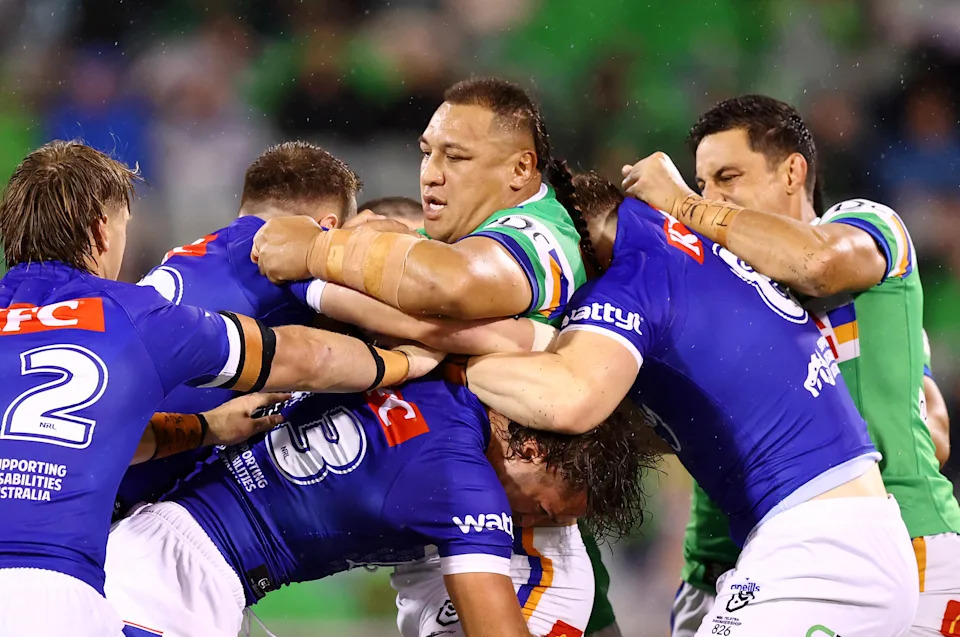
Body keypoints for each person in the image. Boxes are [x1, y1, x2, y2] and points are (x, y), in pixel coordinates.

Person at [0, 141, 438, 637]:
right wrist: (407, 359)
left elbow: (80, 430)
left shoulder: (182, 267)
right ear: (104, 232)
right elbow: (309, 356)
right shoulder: (135, 315)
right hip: (67, 580)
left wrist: (205, 428)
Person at [459, 172, 919, 637]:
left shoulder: (633, 278)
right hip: (834, 533)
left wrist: (457, 367)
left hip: (823, 546)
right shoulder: (670, 244)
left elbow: (569, 400)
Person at [252, 76, 620, 636]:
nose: (432, 172)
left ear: (521, 169)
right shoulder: (455, 234)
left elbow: (448, 289)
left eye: (457, 156)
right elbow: (436, 313)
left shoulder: (540, 236)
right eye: (427, 152)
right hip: (449, 532)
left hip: (523, 537)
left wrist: (320, 256)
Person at [620, 94, 960, 637]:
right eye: (702, 183)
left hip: (894, 542)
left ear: (793, 171)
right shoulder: (712, 290)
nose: (712, 196)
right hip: (723, 568)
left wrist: (683, 205)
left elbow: (816, 264)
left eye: (727, 175)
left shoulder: (866, 226)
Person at [104, 378, 652, 637]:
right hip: (175, 581)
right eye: (541, 511)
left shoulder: (446, 378)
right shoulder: (467, 489)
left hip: (178, 549)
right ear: (530, 450)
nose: (525, 526)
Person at [116, 140, 363, 517]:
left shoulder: (197, 253)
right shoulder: (280, 259)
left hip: (87, 462)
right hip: (118, 495)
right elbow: (407, 311)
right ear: (328, 227)